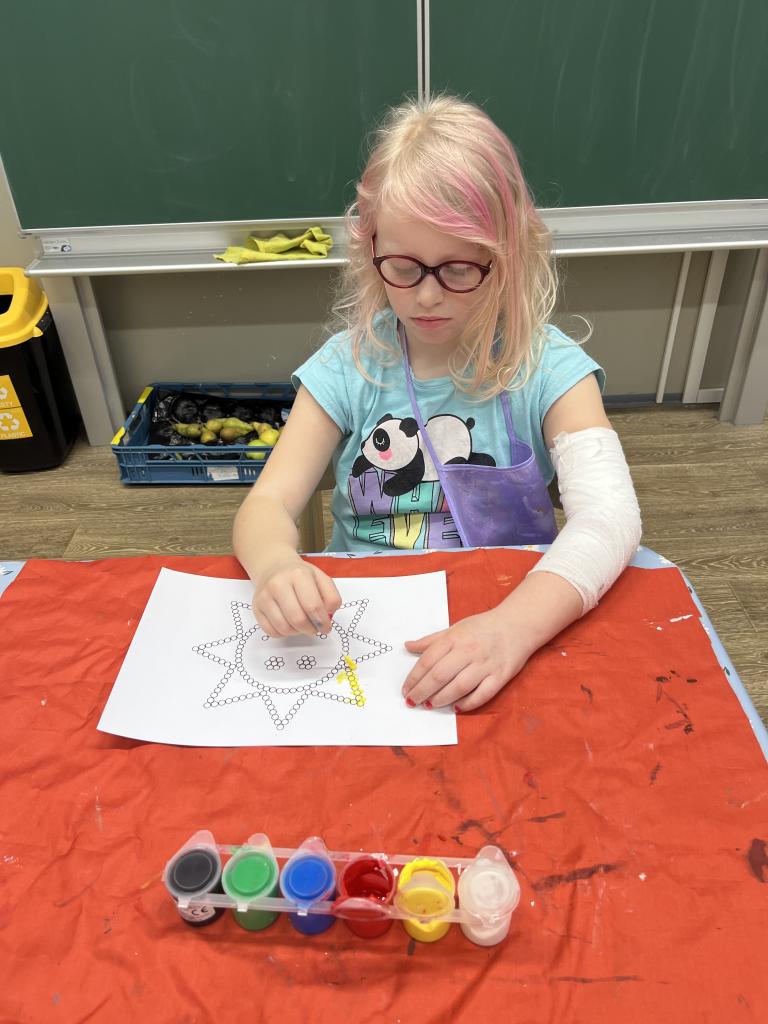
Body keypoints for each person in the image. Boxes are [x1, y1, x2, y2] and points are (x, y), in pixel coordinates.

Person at [233, 95, 642, 713]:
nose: (426, 297)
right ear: (371, 251)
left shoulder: (550, 369)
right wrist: (274, 567)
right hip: (361, 624)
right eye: (403, 267)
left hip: (513, 613)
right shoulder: (349, 366)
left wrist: (512, 629)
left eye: (457, 269)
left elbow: (611, 519)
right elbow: (266, 504)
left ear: (506, 258)